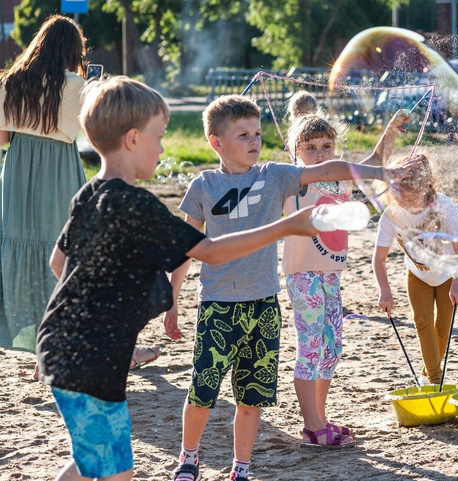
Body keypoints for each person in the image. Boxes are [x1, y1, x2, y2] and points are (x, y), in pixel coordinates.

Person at [36, 76, 320, 481]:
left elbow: (57, 261)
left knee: (97, 462)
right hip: (91, 359)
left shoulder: (90, 192)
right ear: (133, 140)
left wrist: (101, 309)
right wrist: (285, 226)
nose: (164, 147)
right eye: (159, 137)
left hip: (65, 347)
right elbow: (212, 251)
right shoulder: (138, 205)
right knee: (114, 470)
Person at [166, 95, 416, 480]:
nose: (254, 141)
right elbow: (186, 246)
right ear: (215, 142)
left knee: (252, 397)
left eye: (257, 133)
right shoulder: (204, 185)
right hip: (218, 305)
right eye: (243, 134)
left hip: (264, 305)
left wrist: (383, 172)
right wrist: (172, 300)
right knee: (203, 390)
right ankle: (188, 457)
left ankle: (242, 468)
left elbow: (331, 167)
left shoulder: (275, 176)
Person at [281, 105, 408, 448]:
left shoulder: (341, 177)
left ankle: (320, 418)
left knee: (332, 347)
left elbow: (376, 157)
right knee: (310, 347)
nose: (319, 153)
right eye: (310, 147)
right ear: (295, 151)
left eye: (326, 146)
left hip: (331, 274)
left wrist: (392, 127)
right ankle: (311, 427)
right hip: (303, 274)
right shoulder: (293, 179)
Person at [0, 15, 87, 356]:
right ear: (73, 49)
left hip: (19, 170)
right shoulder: (78, 87)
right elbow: (89, 135)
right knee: (61, 245)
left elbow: (3, 138)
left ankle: (29, 330)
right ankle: (63, 329)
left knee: (20, 241)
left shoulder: (12, 82)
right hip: (60, 170)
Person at [373, 153, 458, 385]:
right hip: (417, 275)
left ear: (426, 187)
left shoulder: (443, 206)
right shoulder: (391, 215)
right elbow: (379, 258)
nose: (402, 201)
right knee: (423, 323)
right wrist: (384, 291)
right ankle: (435, 383)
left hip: (447, 273)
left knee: (442, 330)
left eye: (409, 196)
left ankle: (427, 375)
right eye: (396, 194)